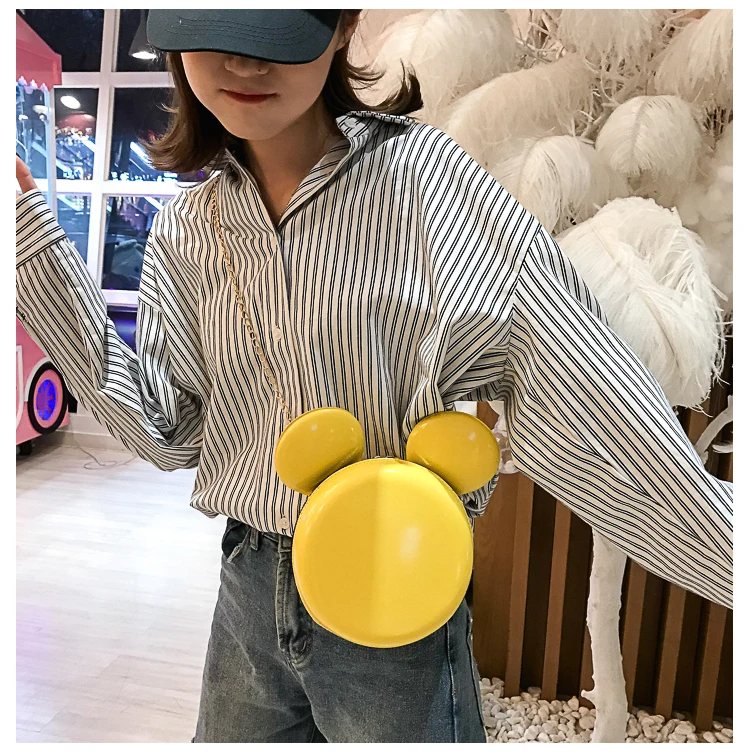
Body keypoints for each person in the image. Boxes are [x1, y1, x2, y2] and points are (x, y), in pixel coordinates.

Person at [15, 9, 732, 744]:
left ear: (340, 29)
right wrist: (28, 244)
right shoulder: (189, 229)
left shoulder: (429, 184)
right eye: (219, 35)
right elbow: (167, 431)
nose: (246, 65)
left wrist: (727, 548)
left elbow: (578, 382)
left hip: (397, 578)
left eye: (275, 38)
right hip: (250, 584)